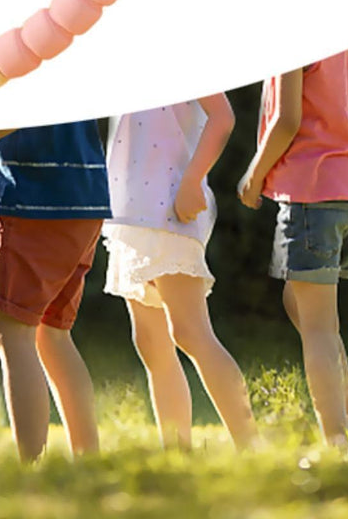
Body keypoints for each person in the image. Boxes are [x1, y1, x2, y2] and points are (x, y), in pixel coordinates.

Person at [238, 44, 348, 448]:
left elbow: (286, 120)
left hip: (313, 192)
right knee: (304, 307)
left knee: (317, 328)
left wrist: (254, 176)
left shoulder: (294, 36)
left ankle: (336, 441)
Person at [0, 121, 109, 462]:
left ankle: (31, 469)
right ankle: (89, 461)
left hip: (31, 198)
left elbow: (27, 98)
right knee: (53, 334)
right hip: (83, 195)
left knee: (11, 331)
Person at [104, 96, 257, 450]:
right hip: (132, 210)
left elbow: (223, 117)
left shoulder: (181, 59)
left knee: (190, 331)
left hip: (171, 203)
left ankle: (251, 445)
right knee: (149, 341)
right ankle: (176, 452)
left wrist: (192, 181)